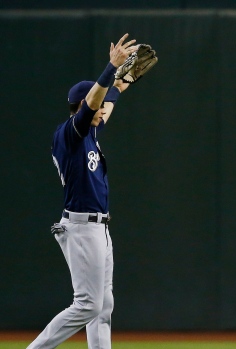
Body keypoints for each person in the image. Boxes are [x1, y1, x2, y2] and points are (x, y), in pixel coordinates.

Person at [27, 33, 138, 349]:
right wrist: (109, 69)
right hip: (81, 228)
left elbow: (106, 102)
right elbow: (93, 105)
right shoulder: (72, 133)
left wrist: (119, 83)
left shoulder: (89, 131)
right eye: (97, 104)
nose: (103, 110)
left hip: (99, 228)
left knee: (103, 306)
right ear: (83, 106)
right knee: (87, 304)